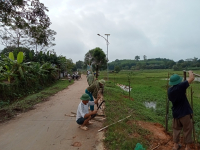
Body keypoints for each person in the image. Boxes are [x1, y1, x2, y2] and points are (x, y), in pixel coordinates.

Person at [168, 71, 195, 150]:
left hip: (176, 113)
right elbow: (191, 78)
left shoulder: (170, 90)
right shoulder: (180, 86)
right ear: (178, 81)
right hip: (185, 113)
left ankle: (176, 146)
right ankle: (187, 147)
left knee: (176, 129)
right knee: (187, 130)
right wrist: (190, 72)